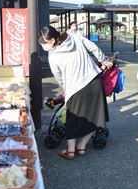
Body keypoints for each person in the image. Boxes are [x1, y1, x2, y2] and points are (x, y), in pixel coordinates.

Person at [39, 26, 112, 160]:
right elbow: (93, 47)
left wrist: (66, 90)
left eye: (45, 42)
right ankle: (82, 146)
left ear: (53, 40)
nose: (43, 45)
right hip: (94, 81)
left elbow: (59, 76)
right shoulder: (74, 36)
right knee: (95, 117)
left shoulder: (53, 55)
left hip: (75, 88)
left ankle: (71, 151)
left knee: (72, 119)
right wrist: (104, 60)